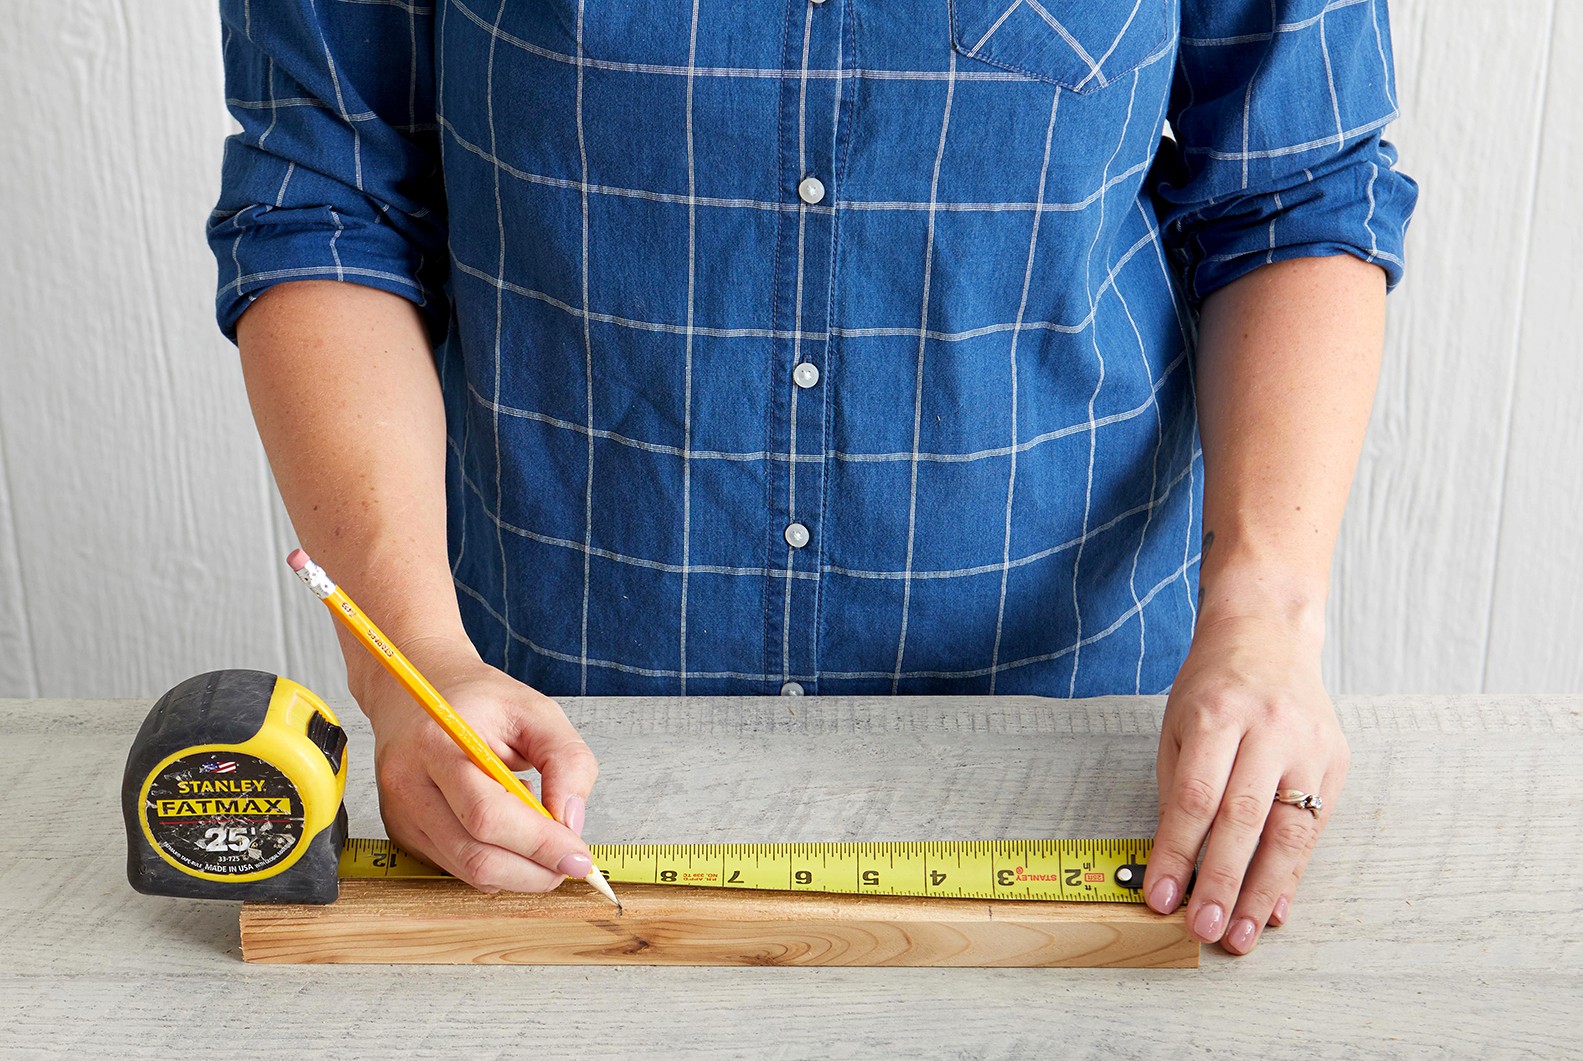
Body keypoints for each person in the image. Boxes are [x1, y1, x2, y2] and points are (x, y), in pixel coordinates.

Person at [208, 0, 1416, 956]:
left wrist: (1267, 617)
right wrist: (410, 656)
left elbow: (1291, 193)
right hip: (550, 766)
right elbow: (325, 201)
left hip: (1080, 757)